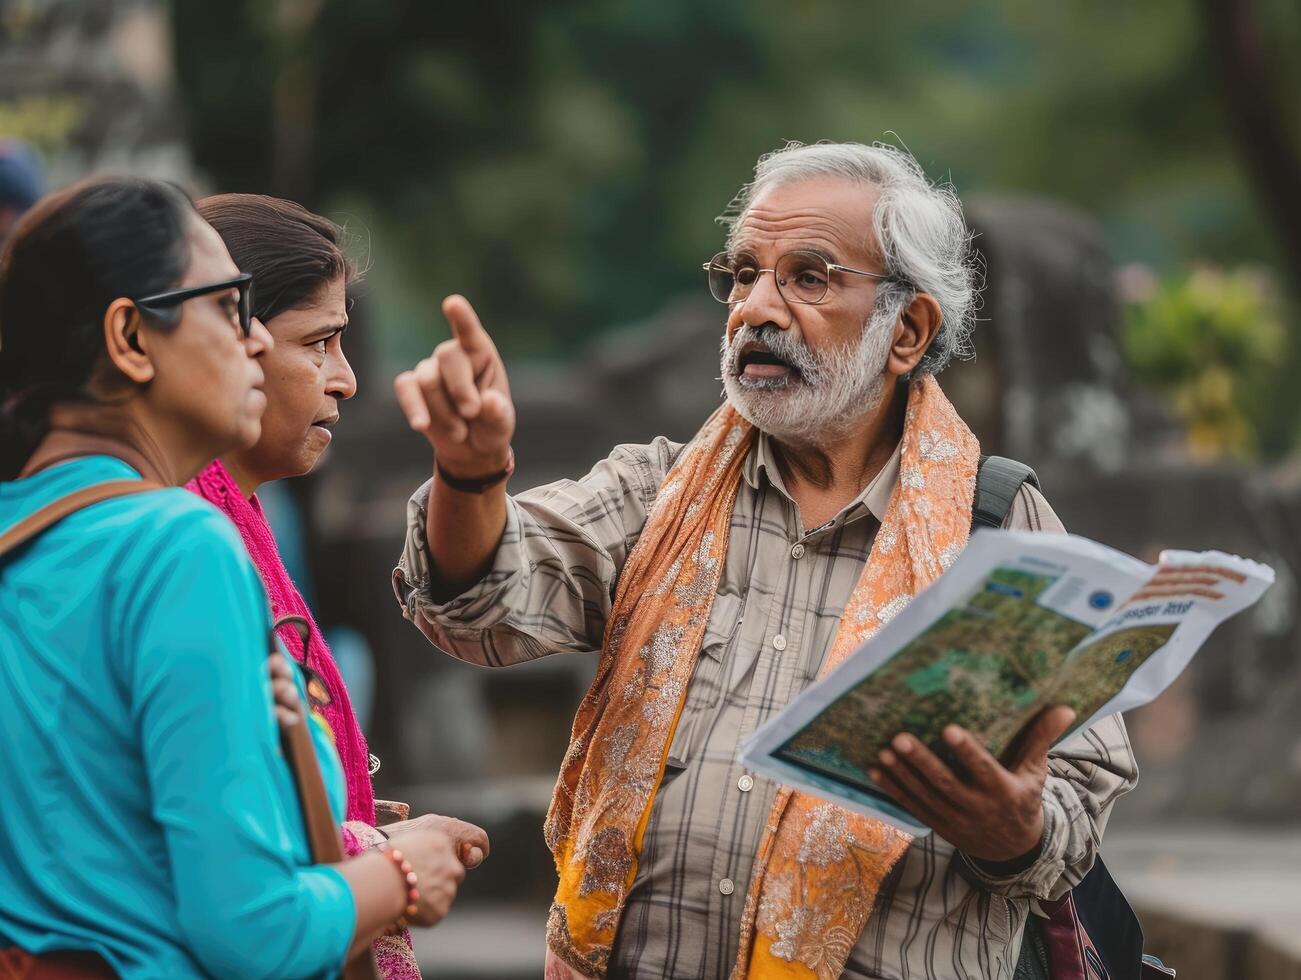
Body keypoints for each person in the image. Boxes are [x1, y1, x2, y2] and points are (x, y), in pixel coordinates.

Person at [391, 141, 1139, 980]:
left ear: (909, 330)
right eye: (742, 274)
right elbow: (481, 595)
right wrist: (469, 476)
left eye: (808, 277)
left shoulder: (997, 530)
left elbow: (1078, 794)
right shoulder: (659, 492)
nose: (756, 308)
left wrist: (1015, 828)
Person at [0, 177, 465, 979]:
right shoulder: (178, 547)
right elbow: (253, 934)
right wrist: (403, 869)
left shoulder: (25, 529)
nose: (253, 342)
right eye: (227, 308)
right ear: (129, 337)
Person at [190, 192, 490, 979]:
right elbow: (207, 845)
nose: (346, 381)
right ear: (226, 343)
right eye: (318, 342)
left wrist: (360, 829)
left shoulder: (237, 513)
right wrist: (385, 859)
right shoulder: (179, 542)